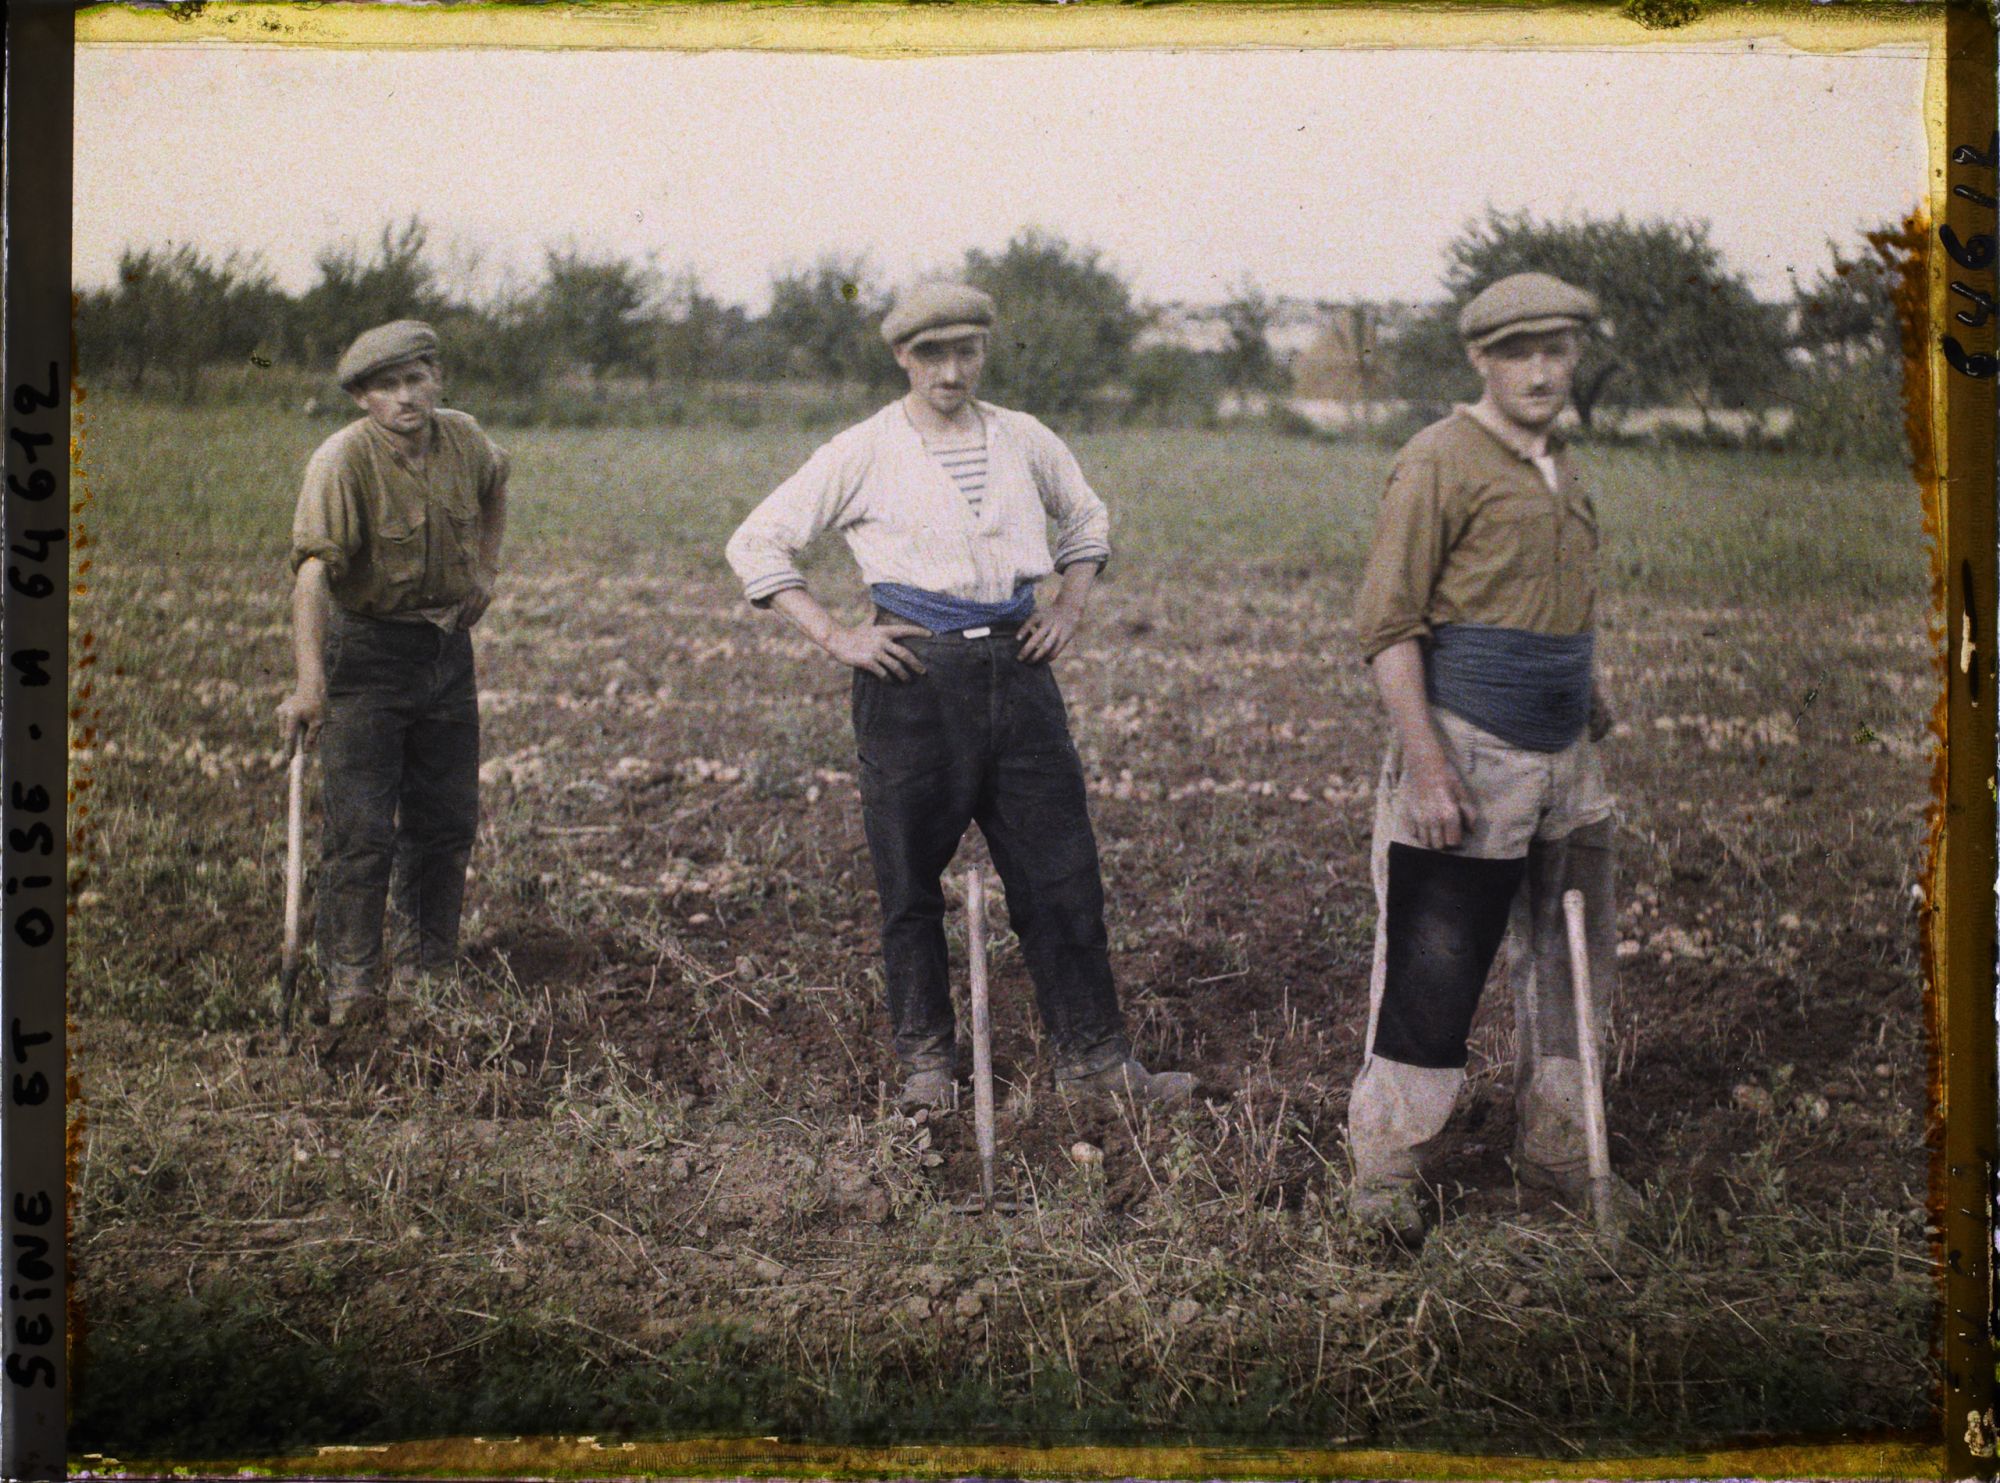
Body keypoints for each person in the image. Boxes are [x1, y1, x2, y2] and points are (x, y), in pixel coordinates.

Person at [724, 281, 1192, 1112]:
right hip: (911, 679)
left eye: (966, 350)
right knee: (908, 881)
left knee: (1062, 873)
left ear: (984, 351)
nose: (951, 369)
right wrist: (838, 635)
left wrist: (1069, 606)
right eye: (931, 354)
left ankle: (1095, 1062)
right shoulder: (864, 449)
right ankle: (927, 1067)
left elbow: (1086, 520)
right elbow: (757, 538)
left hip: (1019, 674)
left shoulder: (1024, 438)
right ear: (903, 357)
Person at [1343, 272, 1625, 1241]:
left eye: (1556, 349)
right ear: (1479, 360)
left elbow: (1546, 592)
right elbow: (1386, 627)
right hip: (1467, 753)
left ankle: (1557, 1154)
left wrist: (1583, 691)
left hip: (1564, 763)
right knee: (1432, 969)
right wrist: (1428, 770)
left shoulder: (1558, 463)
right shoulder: (1436, 460)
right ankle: (1387, 1171)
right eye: (1518, 353)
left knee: (1568, 961)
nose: (1541, 370)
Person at [276, 320, 509, 1026]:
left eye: (416, 379)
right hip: (366, 656)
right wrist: (310, 682)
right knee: (362, 830)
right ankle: (350, 984)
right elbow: (313, 576)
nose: (405, 397)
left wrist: (486, 572)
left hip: (444, 653)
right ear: (362, 399)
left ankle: (426, 971)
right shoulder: (341, 461)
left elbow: (498, 482)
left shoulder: (465, 439)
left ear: (435, 379)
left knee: (445, 822)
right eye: (386, 387)